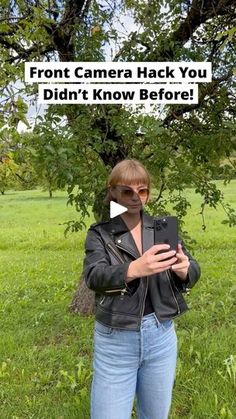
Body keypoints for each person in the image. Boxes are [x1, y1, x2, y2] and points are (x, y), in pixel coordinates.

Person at [83, 159, 200, 419]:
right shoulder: (100, 234)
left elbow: (192, 269)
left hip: (161, 336)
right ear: (113, 191)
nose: (136, 197)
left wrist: (184, 270)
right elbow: (93, 276)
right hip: (116, 339)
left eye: (143, 190)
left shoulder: (162, 228)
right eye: (127, 191)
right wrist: (133, 269)